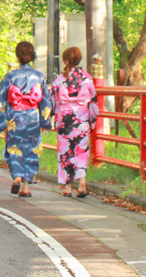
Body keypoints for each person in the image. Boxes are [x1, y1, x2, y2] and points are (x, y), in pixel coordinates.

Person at [0, 41, 52, 197]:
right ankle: (26, 187)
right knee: (32, 149)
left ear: (17, 56)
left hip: (15, 117)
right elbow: (45, 101)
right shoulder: (39, 76)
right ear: (32, 56)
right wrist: (45, 120)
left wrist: (2, 120)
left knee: (14, 148)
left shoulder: (10, 76)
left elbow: (3, 101)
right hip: (32, 117)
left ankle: (17, 176)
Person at [50, 47, 98, 198]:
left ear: (65, 60)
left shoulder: (59, 80)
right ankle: (82, 182)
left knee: (66, 152)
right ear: (79, 60)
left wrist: (51, 116)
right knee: (81, 151)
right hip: (82, 121)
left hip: (65, 121)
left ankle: (68, 187)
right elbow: (94, 103)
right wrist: (93, 121)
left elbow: (52, 101)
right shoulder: (87, 79)